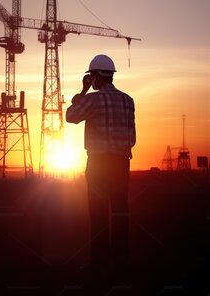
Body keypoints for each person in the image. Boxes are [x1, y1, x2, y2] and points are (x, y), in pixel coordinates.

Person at [66, 54, 136, 273]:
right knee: (120, 211)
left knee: (98, 213)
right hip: (121, 163)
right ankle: (122, 261)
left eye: (91, 77)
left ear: (94, 76)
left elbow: (71, 116)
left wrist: (83, 92)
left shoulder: (92, 100)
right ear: (112, 75)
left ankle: (99, 263)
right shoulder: (128, 100)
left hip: (98, 164)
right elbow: (132, 137)